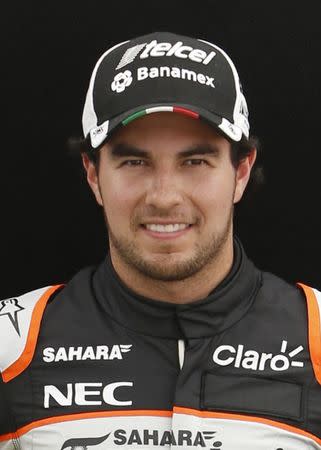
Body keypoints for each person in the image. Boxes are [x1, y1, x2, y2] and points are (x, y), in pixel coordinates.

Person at [0, 31, 320, 450]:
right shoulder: (11, 346)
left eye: (195, 161)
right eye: (134, 161)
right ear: (93, 175)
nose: (165, 196)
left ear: (241, 172)